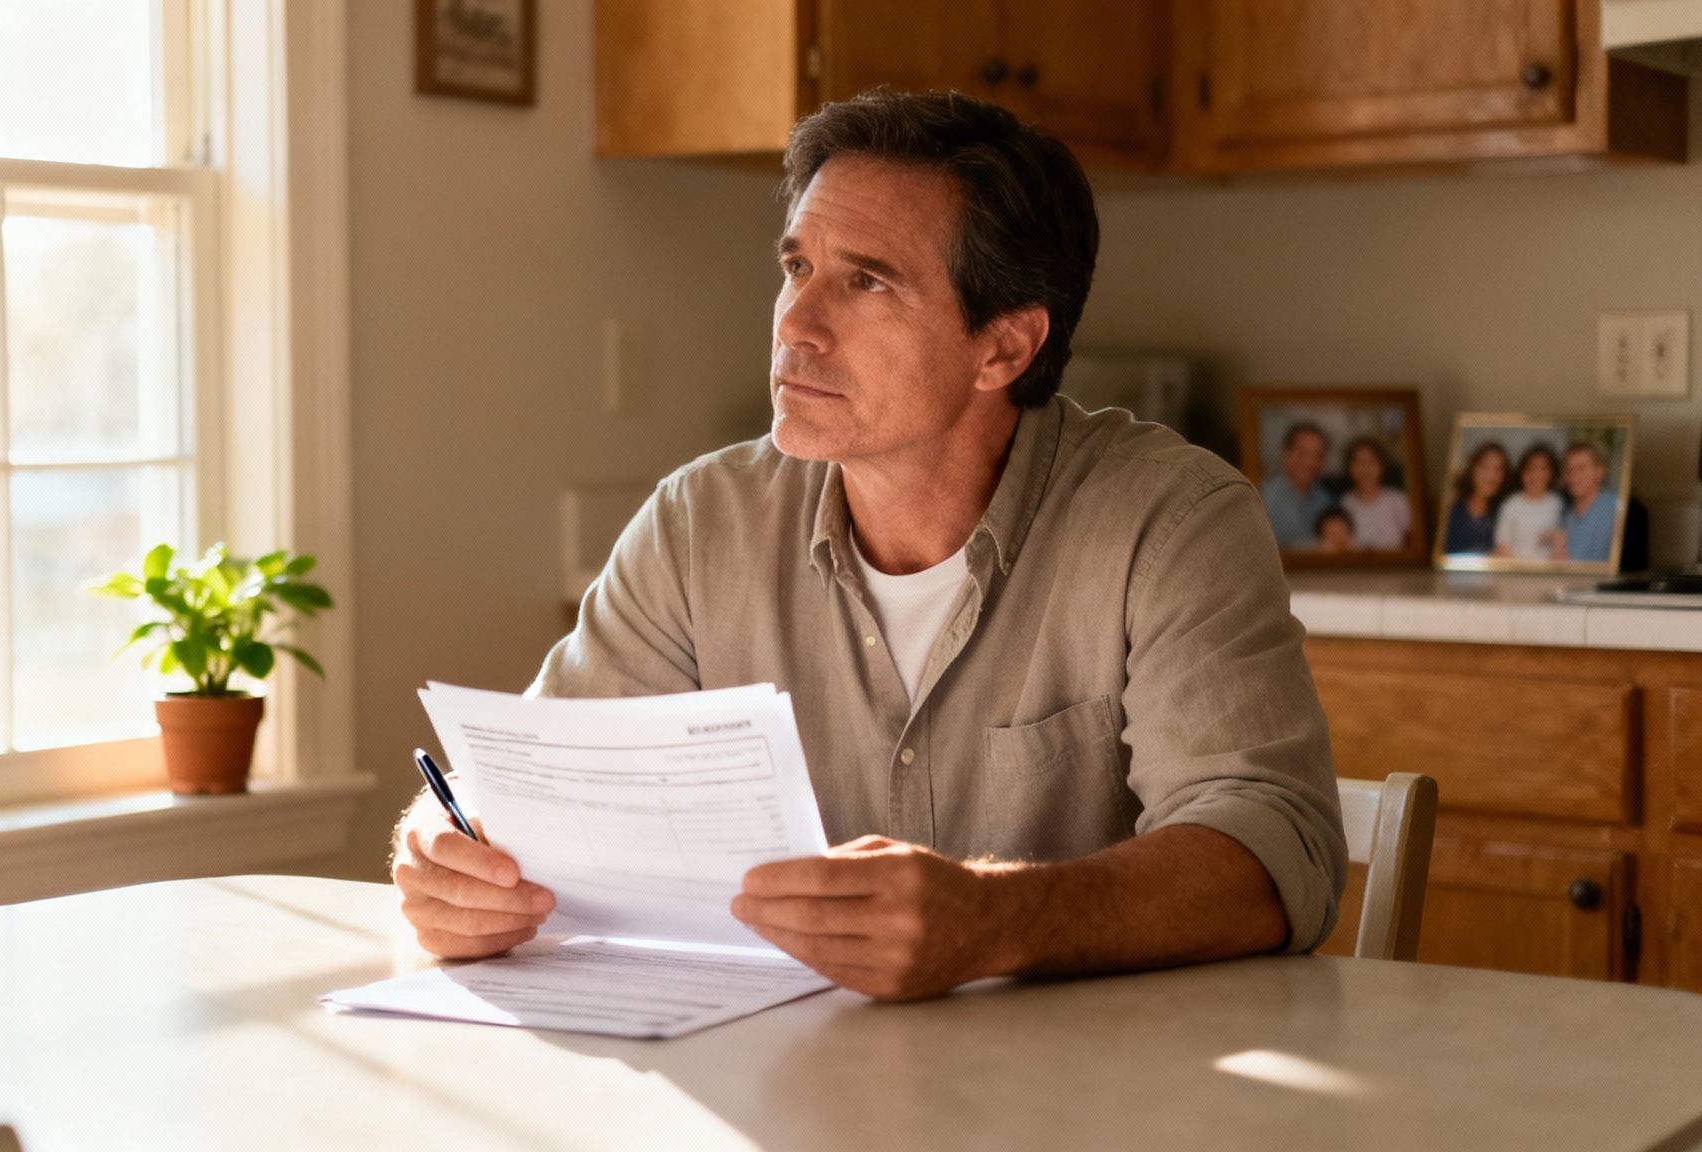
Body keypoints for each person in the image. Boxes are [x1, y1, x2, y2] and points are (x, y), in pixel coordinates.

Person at [390, 89, 1344, 1002]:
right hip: (769, 1082)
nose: (795, 325)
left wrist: (997, 919)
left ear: (1004, 348)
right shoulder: (698, 523)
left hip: (1096, 1096)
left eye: (867, 281)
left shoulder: (1172, 523)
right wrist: (446, 845)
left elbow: (1271, 848)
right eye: (797, 267)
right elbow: (537, 787)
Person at [1258, 423, 1333, 550]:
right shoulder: (1263, 497)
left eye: (1317, 455)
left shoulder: (1327, 500)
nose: (1310, 462)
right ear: (1285, 453)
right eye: (1302, 453)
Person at [1338, 437, 1411, 551]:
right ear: (1349, 468)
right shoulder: (1345, 502)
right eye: (1359, 462)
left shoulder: (1398, 499)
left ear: (1382, 465)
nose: (1366, 468)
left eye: (1371, 461)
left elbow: (1412, 540)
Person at [1493, 444, 1562, 560]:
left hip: (1549, 575)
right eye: (1531, 468)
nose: (1536, 475)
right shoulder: (1511, 504)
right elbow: (1502, 547)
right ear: (1522, 472)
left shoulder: (1557, 504)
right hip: (1516, 574)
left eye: (1543, 469)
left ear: (1551, 473)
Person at [1556, 443, 1621, 562]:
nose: (1573, 476)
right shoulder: (1566, 517)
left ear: (1599, 472)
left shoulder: (1616, 508)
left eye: (1581, 468)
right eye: (1568, 470)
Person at [1442, 441, 1508, 555]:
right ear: (1473, 469)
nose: (1491, 476)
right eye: (1485, 467)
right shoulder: (1453, 512)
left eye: (1498, 469)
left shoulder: (1504, 513)